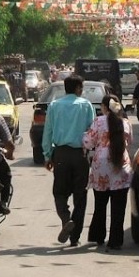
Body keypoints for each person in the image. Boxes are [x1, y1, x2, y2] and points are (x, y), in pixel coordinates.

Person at [42, 74, 95, 247]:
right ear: (78, 88)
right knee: (80, 196)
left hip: (61, 154)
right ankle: (75, 237)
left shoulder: (54, 105)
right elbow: (92, 132)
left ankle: (66, 219)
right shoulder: (86, 105)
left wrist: (47, 155)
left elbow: (48, 132)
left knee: (59, 193)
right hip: (81, 155)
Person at [83, 95, 133, 251]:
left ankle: (98, 235)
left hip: (101, 166)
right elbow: (129, 142)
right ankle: (115, 240)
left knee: (100, 204)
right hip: (121, 165)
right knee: (119, 207)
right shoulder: (126, 123)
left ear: (104, 107)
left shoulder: (98, 121)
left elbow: (88, 142)